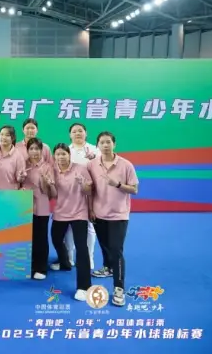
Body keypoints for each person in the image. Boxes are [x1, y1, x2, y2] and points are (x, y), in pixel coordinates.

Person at [87, 131, 139, 307]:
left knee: (116, 250)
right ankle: (108, 268)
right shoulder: (92, 165)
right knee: (105, 246)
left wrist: (117, 184)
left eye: (108, 142)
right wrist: (90, 209)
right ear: (98, 146)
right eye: (102, 142)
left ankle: (119, 288)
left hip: (119, 214)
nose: (105, 145)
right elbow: (90, 190)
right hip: (99, 213)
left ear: (114, 144)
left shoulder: (126, 165)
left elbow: (135, 189)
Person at [49, 143, 93, 301]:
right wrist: (49, 184)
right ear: (54, 156)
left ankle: (84, 287)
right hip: (61, 212)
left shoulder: (80, 168)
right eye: (58, 154)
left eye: (64, 154)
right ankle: (65, 262)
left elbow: (89, 191)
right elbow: (53, 195)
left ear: (69, 154)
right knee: (55, 238)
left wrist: (83, 185)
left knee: (81, 248)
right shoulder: (53, 170)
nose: (61, 157)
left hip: (79, 212)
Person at [64, 122, 99, 271]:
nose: (77, 133)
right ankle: (69, 256)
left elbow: (102, 168)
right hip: (69, 193)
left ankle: (89, 257)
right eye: (74, 131)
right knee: (69, 226)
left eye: (80, 131)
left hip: (89, 192)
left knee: (89, 225)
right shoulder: (66, 150)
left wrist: (94, 159)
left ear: (86, 133)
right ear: (70, 135)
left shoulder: (95, 150)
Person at [21, 138, 54, 280]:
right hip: (24, 206)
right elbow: (18, 183)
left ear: (42, 150)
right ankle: (29, 264)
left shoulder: (47, 167)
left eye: (37, 149)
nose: (34, 152)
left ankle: (41, 267)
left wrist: (45, 182)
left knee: (41, 237)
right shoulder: (23, 164)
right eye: (31, 149)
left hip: (41, 206)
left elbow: (49, 193)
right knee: (27, 237)